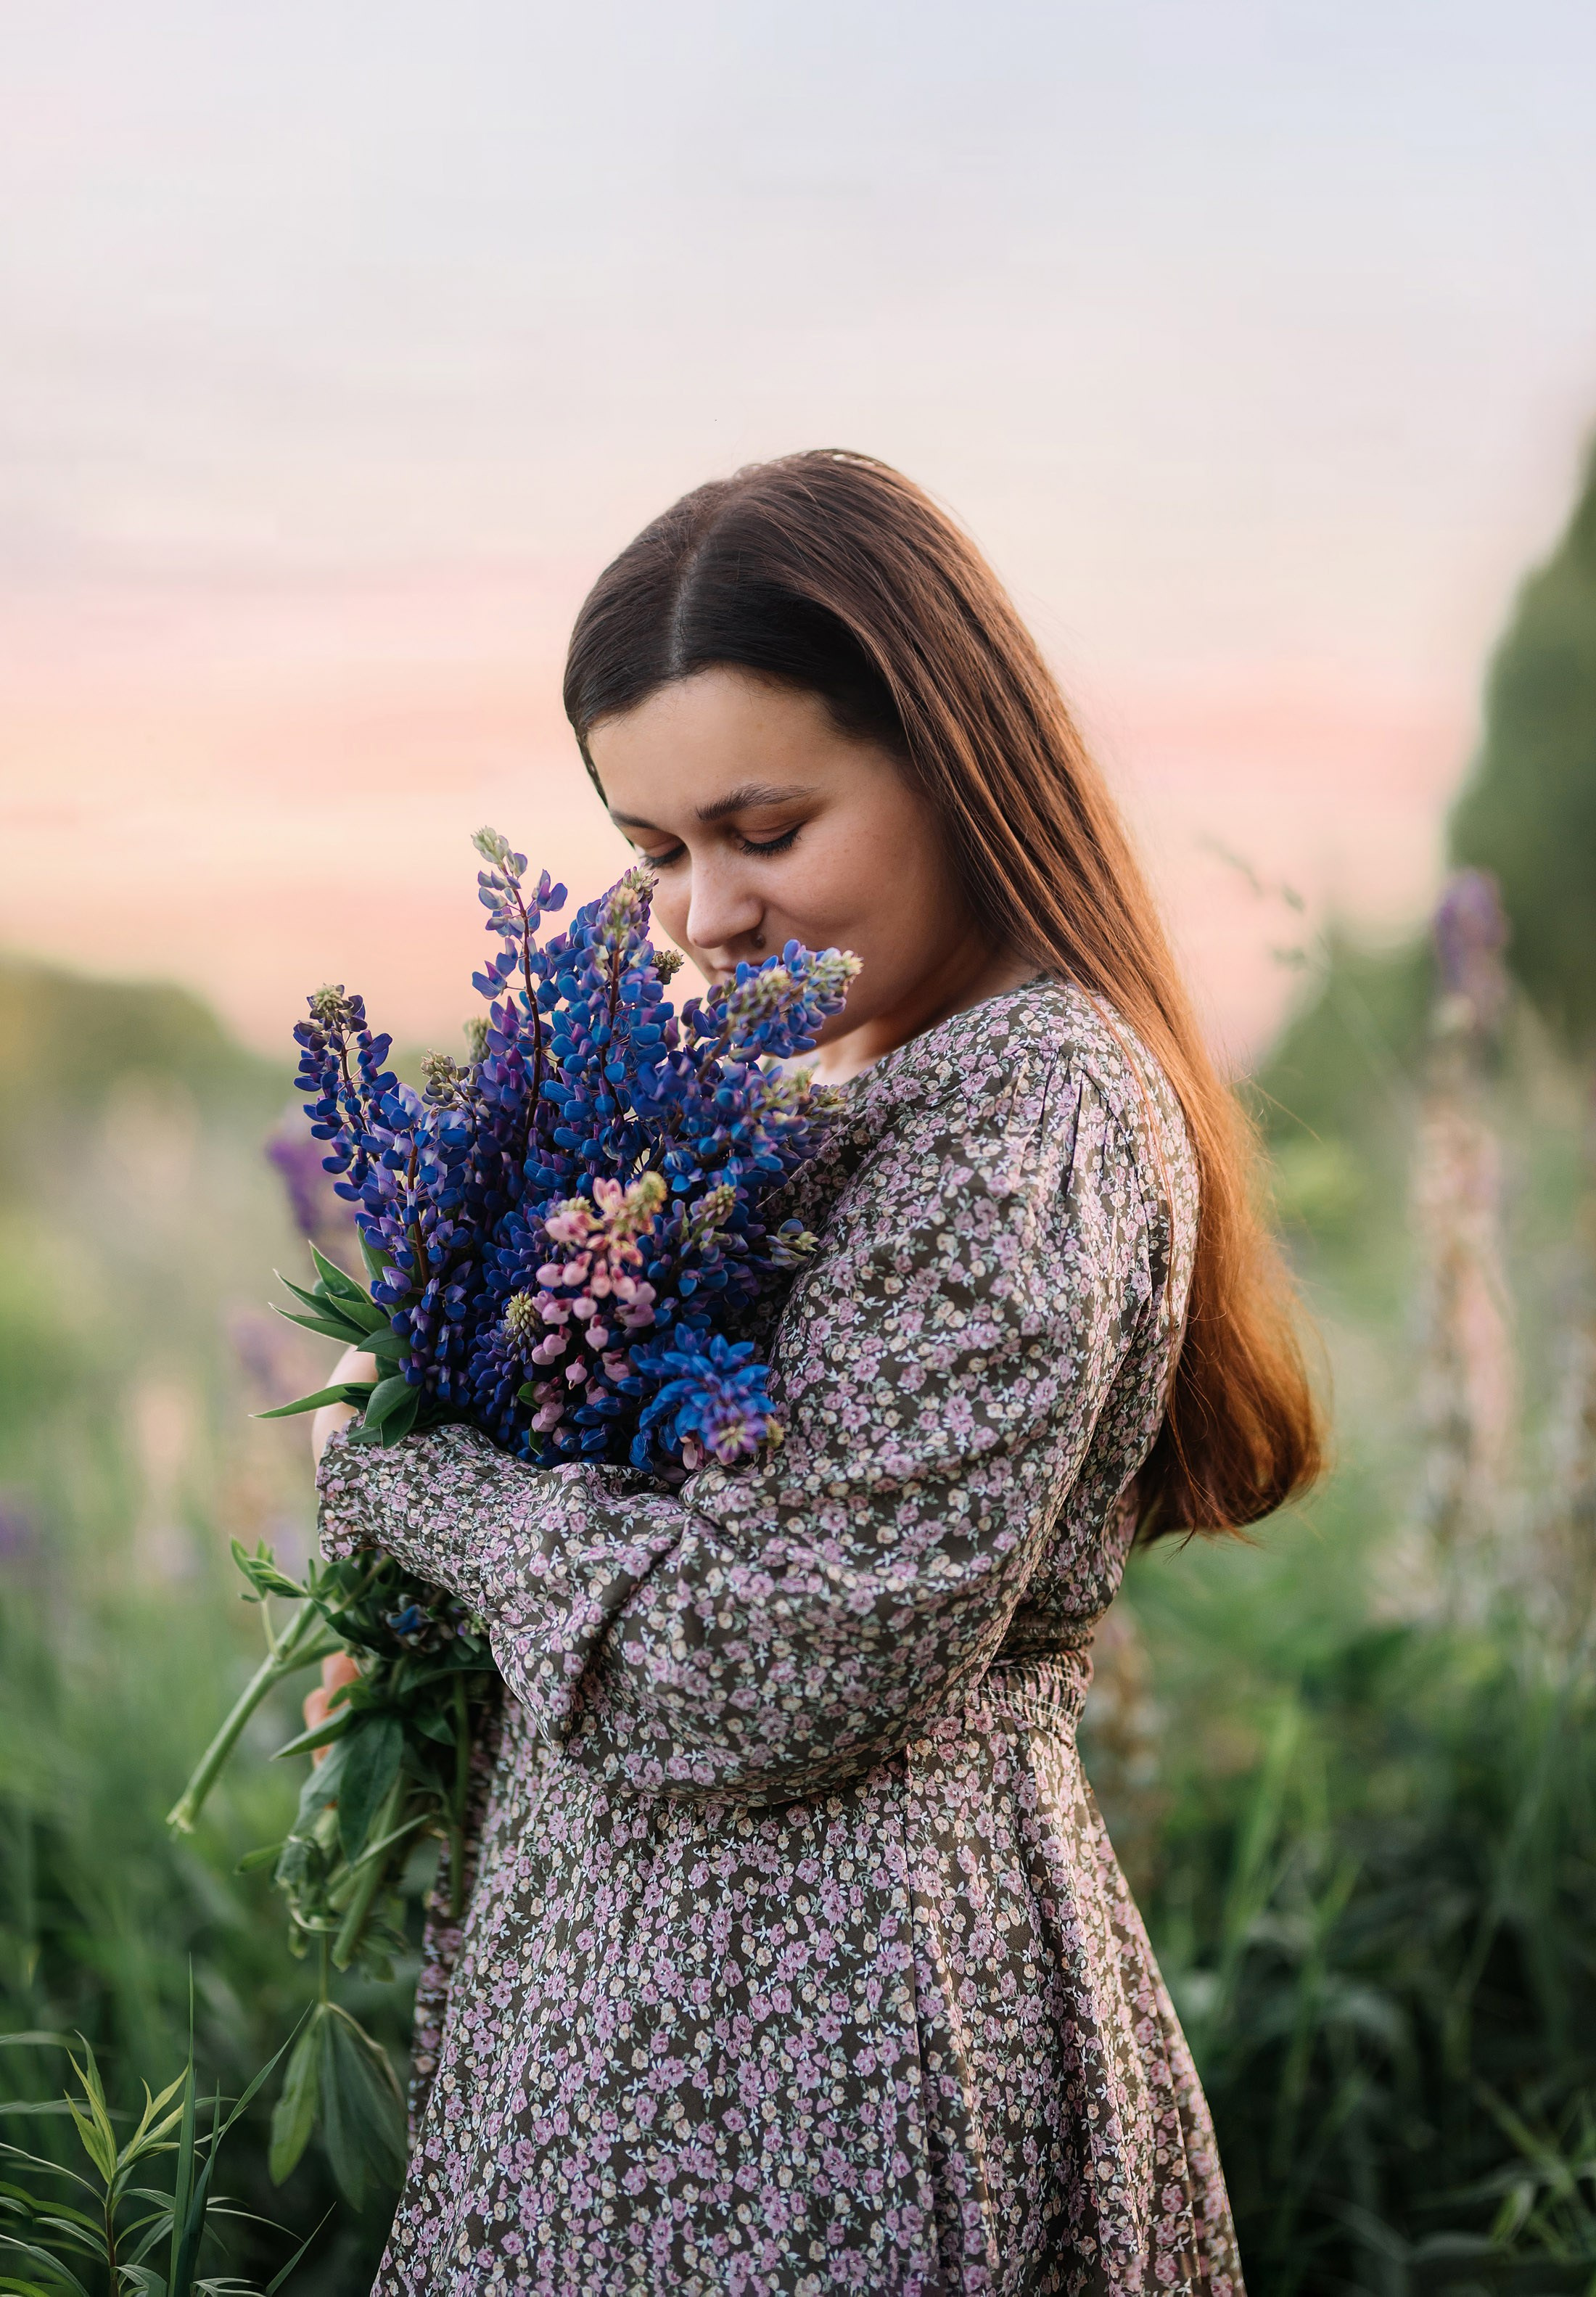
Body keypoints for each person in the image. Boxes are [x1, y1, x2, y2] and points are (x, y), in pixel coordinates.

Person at [309, 451, 1322, 2295]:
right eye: (652, 851)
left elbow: (749, 1663)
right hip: (679, 2061)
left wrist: (433, 1493)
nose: (702, 917)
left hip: (838, 2066)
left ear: (955, 757)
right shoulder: (842, 1097)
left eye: (763, 829)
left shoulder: (1033, 1109)